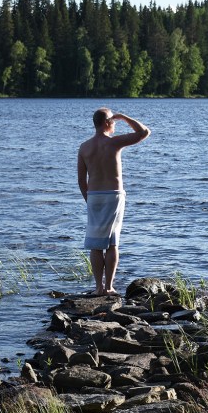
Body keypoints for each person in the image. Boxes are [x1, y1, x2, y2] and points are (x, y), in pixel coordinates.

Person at [77, 108, 150, 295]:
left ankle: (98, 288)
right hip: (113, 195)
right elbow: (144, 132)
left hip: (93, 196)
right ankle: (108, 286)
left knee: (95, 243)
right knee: (111, 242)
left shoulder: (84, 147)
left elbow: (81, 180)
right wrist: (125, 116)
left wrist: (89, 200)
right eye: (114, 120)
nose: (116, 124)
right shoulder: (114, 143)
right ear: (108, 122)